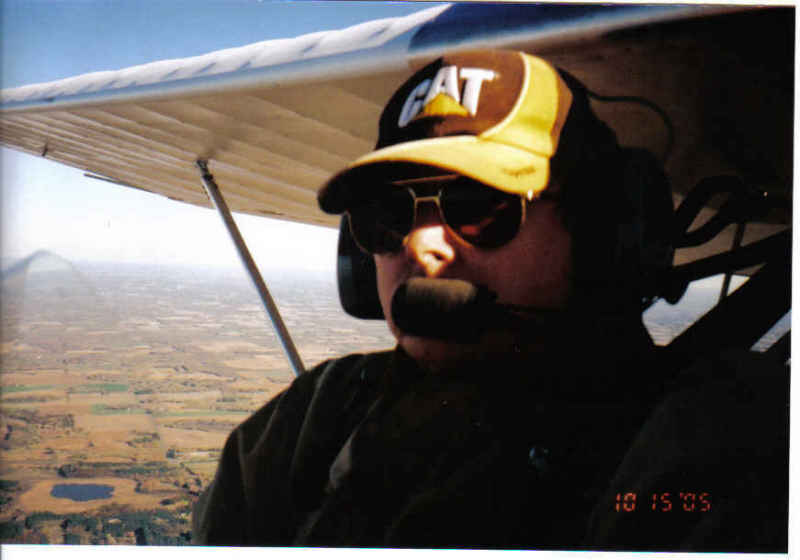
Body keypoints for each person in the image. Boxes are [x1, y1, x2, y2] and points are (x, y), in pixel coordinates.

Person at [192, 50, 788, 551]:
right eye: (388, 213)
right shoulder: (313, 420)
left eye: (479, 203)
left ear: (605, 234)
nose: (421, 245)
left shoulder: (708, 445)